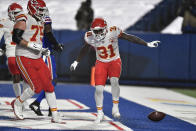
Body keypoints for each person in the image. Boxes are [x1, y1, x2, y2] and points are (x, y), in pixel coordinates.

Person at [70, 18, 160, 123]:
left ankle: (115, 107)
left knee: (114, 82)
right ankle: (100, 113)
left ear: (105, 28)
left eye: (100, 30)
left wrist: (146, 44)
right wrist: (76, 62)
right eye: (96, 31)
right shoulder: (89, 37)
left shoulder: (113, 31)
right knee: (98, 89)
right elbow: (85, 48)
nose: (98, 33)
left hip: (114, 61)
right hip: (101, 62)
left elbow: (129, 37)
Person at [11, 0, 64, 123]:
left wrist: (42, 49)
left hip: (37, 57)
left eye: (43, 10)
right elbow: (16, 37)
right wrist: (31, 45)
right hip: (24, 56)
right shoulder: (24, 18)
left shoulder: (41, 20)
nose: (42, 12)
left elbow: (44, 35)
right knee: (36, 87)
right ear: (32, 8)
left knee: (48, 85)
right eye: (40, 10)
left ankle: (55, 114)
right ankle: (18, 103)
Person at [29, 8, 64, 116]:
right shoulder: (43, 19)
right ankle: (37, 103)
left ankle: (50, 108)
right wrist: (57, 45)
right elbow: (48, 33)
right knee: (51, 81)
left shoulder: (31, 21)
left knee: (50, 81)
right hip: (46, 55)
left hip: (40, 53)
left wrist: (55, 45)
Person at [0, 3, 29, 108]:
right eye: (16, 13)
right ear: (10, 13)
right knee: (16, 75)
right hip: (11, 51)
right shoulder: (3, 22)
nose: (18, 15)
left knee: (27, 77)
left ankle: (23, 99)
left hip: (24, 50)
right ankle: (18, 98)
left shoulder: (25, 21)